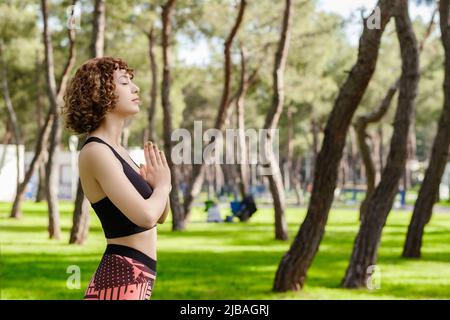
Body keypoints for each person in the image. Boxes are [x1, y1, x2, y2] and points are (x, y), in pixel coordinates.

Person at [62, 56, 171, 300]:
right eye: (124, 82)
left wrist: (158, 185)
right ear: (100, 93)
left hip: (136, 276)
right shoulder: (96, 152)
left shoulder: (119, 151)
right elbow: (145, 215)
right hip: (121, 278)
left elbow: (160, 216)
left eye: (131, 81)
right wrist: (163, 185)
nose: (135, 87)